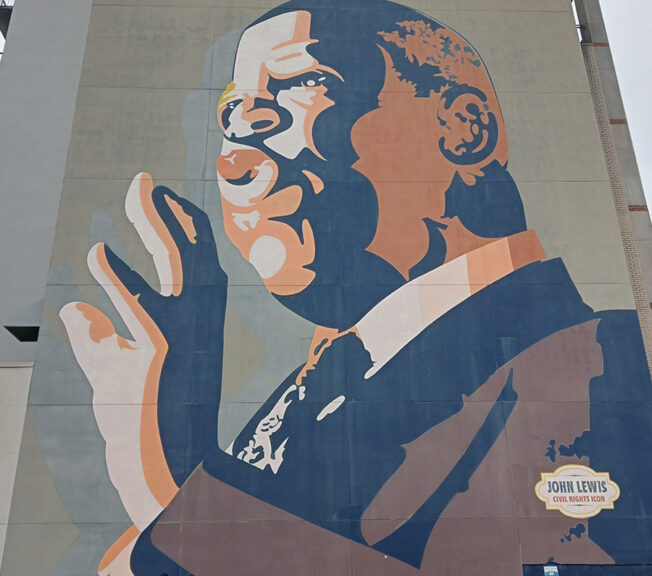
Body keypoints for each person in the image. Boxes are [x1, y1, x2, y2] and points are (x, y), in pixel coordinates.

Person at [59, 1, 652, 575]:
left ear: (463, 128)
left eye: (302, 82)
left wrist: (175, 481)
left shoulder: (604, 363)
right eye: (230, 113)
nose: (240, 137)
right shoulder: (309, 390)